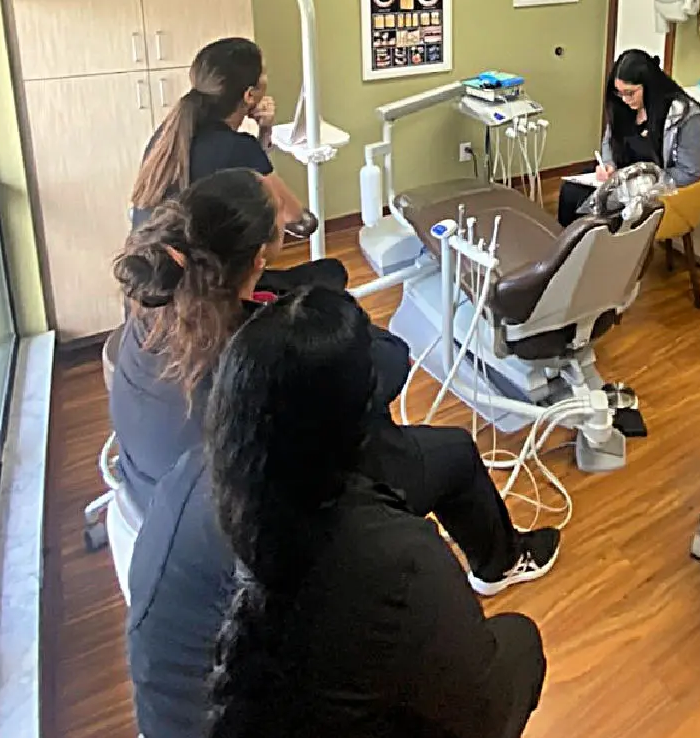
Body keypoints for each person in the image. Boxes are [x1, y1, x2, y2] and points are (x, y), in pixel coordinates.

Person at [204, 287, 546, 738]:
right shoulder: (394, 560)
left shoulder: (233, 500)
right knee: (522, 645)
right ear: (359, 419)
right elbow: (483, 702)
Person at [112, 168, 559, 593]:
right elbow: (386, 369)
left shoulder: (155, 305)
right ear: (257, 259)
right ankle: (500, 563)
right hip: (254, 530)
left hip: (154, 504)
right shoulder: (265, 354)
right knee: (455, 452)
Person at [129, 36, 342, 295]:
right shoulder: (237, 148)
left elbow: (245, 170)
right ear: (250, 95)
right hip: (201, 294)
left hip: (160, 286)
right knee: (331, 273)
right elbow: (300, 223)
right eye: (264, 74)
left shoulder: (170, 138)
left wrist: (265, 130)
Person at [557, 49, 700, 226]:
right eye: (619, 93)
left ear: (649, 85)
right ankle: (568, 249)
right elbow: (610, 140)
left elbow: (690, 172)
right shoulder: (623, 107)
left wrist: (641, 180)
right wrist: (608, 165)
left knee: (593, 210)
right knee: (571, 191)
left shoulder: (685, 116)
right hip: (620, 176)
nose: (624, 99)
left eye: (630, 93)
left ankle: (596, 250)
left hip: (651, 186)